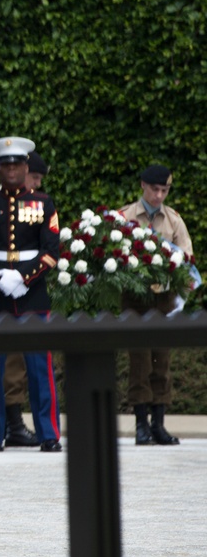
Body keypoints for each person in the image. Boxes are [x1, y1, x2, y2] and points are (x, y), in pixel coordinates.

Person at [0, 136, 62, 454]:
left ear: (25, 167)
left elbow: (51, 251)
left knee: (39, 366)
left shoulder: (44, 203)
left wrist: (23, 277)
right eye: (5, 164)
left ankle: (48, 433)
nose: (11, 169)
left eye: (17, 164)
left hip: (32, 294)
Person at [118, 164, 192, 446]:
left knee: (162, 359)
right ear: (143, 186)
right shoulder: (125, 217)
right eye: (155, 189)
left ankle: (158, 424)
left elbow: (187, 259)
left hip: (164, 298)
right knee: (139, 359)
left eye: (165, 190)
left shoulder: (173, 220)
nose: (159, 195)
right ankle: (141, 424)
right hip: (135, 298)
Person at [1, 149, 49, 448]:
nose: (37, 184)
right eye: (35, 177)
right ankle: (12, 424)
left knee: (25, 361)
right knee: (10, 361)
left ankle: (15, 424)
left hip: (29, 291)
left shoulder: (36, 203)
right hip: (2, 291)